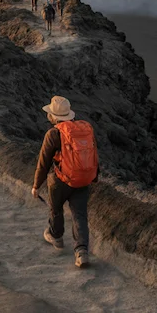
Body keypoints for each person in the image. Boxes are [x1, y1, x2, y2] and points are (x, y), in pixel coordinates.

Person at [31, 96, 99, 268]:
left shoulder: (53, 133)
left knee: (56, 209)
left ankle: (56, 236)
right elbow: (93, 154)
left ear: (53, 116)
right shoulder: (84, 129)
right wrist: (94, 176)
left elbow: (43, 162)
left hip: (60, 181)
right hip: (83, 180)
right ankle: (82, 252)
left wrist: (36, 185)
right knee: (80, 215)